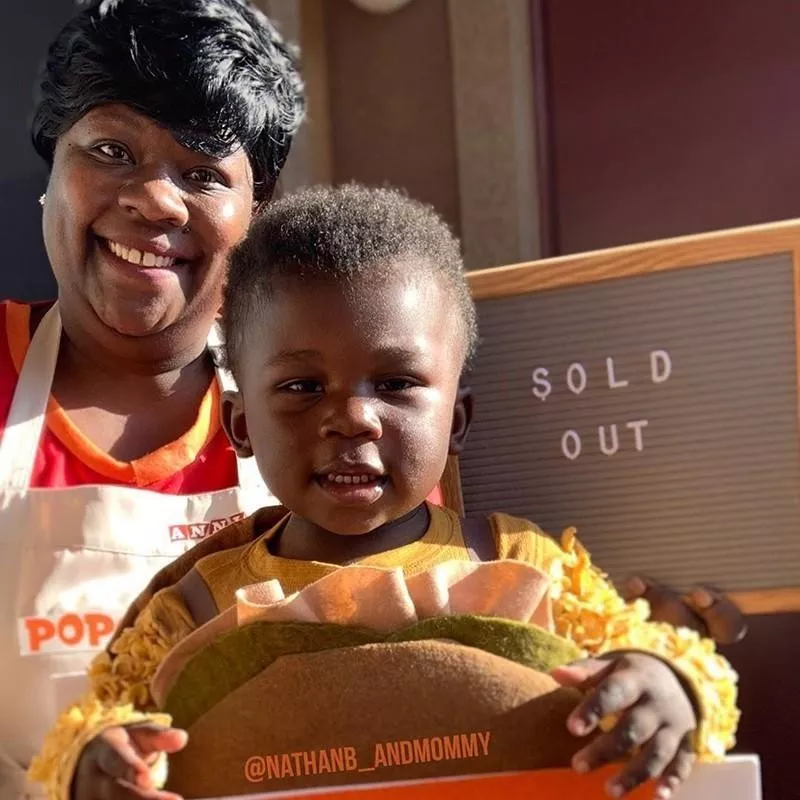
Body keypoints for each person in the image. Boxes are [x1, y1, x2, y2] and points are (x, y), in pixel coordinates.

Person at [30, 185, 740, 800]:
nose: (353, 417)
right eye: (303, 388)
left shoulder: (527, 565)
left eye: (396, 384)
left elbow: (665, 661)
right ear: (241, 426)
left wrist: (668, 682)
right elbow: (91, 724)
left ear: (455, 422)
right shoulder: (194, 605)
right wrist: (98, 759)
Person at [0, 1, 305, 796]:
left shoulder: (318, 410)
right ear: (52, 167)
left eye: (202, 173)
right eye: (111, 149)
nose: (158, 201)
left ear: (257, 210)